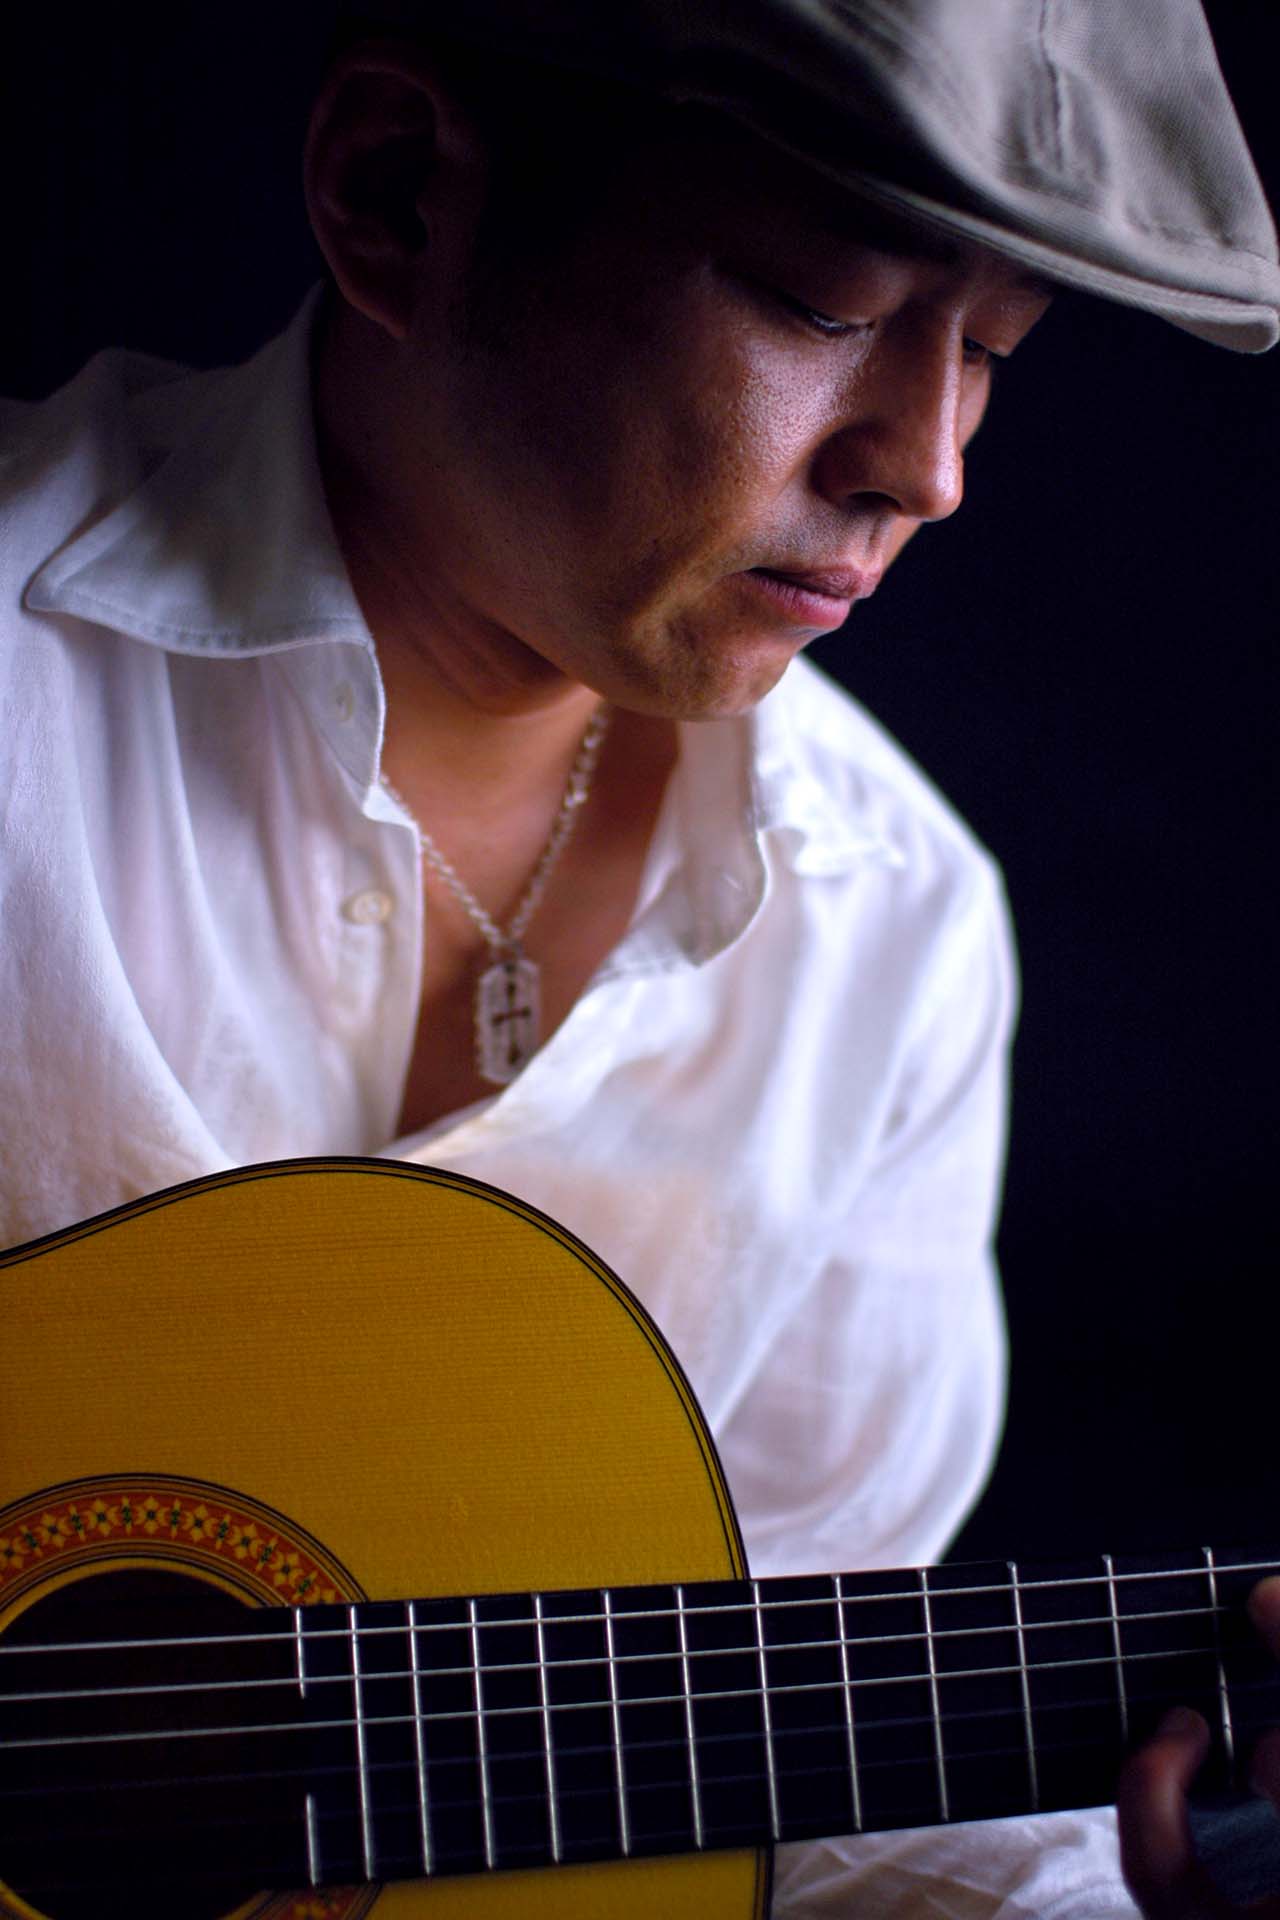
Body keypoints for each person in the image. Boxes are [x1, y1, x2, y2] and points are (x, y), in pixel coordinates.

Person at [1, 0, 1277, 1912]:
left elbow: (802, 1805)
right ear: (396, 197)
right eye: (821, 305)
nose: (927, 466)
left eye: (993, 353)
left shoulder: (896, 937)